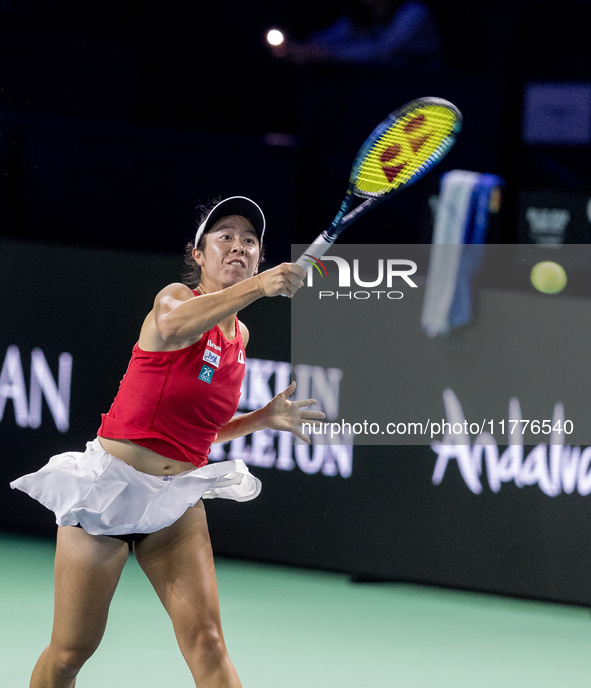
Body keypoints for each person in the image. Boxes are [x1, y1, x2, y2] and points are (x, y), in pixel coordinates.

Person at [10, 195, 325, 688]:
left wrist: (260, 418)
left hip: (174, 503)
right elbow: (173, 326)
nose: (238, 247)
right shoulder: (175, 299)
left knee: (209, 644)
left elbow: (195, 432)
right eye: (225, 237)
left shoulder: (238, 338)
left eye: (250, 241)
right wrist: (262, 287)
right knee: (71, 651)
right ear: (198, 254)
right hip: (108, 494)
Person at [272, 0, 442, 68]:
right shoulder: (359, 15)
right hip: (376, 93)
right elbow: (329, 38)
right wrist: (297, 48)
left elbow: (381, 51)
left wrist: (325, 54)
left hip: (422, 95)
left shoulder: (414, 12)